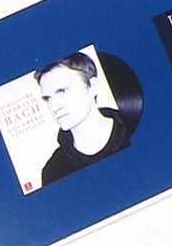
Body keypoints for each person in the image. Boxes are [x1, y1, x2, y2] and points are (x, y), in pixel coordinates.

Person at [34, 51, 135, 185]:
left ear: (92, 87)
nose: (54, 106)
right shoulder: (53, 171)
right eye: (48, 98)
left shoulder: (136, 131)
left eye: (62, 91)